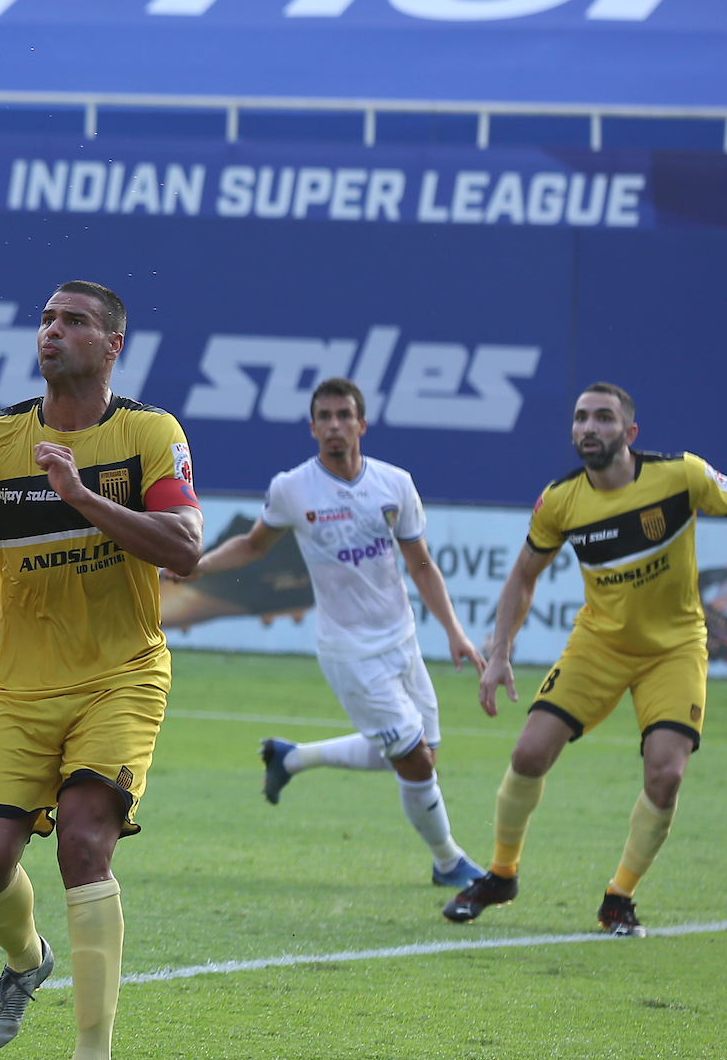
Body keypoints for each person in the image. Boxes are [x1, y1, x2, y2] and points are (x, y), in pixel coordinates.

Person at [449, 384, 727, 933]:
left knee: (665, 775)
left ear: (630, 432)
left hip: (675, 649)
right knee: (528, 753)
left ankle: (619, 898)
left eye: (604, 418)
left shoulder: (681, 475)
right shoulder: (560, 501)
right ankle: (501, 875)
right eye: (581, 418)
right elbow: (523, 574)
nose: (589, 428)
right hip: (599, 644)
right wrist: (500, 652)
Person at [0, 282, 202, 1060]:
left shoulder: (149, 433)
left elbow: (185, 547)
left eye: (74, 321)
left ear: (113, 345)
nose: (53, 331)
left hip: (121, 676)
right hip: (20, 690)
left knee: (83, 841)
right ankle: (25, 959)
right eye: (46, 319)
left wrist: (81, 496)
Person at [170, 377, 488, 887]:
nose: (335, 425)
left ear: (362, 424)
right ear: (313, 427)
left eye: (344, 416)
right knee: (414, 762)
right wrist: (201, 566)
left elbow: (421, 564)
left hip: (402, 641)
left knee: (420, 752)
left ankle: (291, 758)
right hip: (348, 651)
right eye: (325, 417)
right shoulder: (292, 488)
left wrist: (454, 630)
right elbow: (253, 545)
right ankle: (448, 861)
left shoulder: (395, 484)